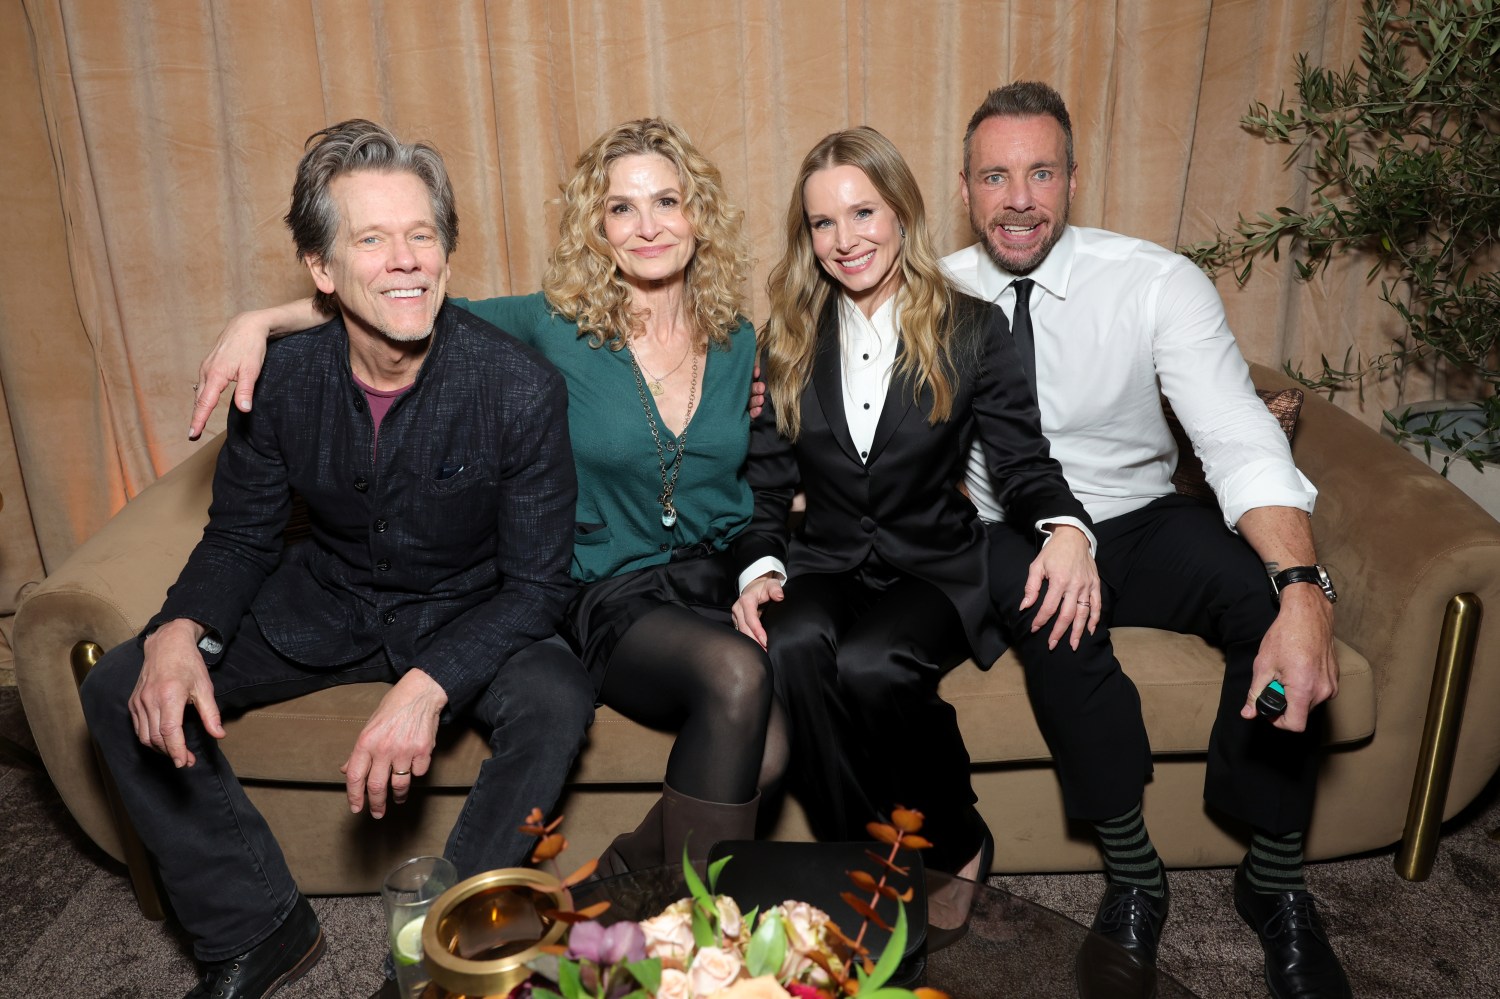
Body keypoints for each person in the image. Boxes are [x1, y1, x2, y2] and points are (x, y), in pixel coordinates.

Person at [193, 118, 782, 888]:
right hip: (606, 588)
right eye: (620, 208)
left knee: (775, 736)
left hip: (711, 581)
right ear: (595, 228)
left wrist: (758, 567)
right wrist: (261, 320)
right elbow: (406, 297)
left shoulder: (739, 341)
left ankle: (627, 879)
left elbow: (755, 482)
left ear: (697, 214)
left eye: (666, 200)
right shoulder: (552, 324)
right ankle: (698, 925)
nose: (647, 226)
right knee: (738, 676)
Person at [80, 119, 588, 999]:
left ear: (447, 254)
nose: (405, 260)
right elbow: (241, 534)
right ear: (323, 269)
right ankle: (260, 928)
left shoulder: (519, 388)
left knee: (557, 693)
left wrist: (430, 683)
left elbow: (539, 584)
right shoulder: (280, 379)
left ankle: (440, 955)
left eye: (422, 235)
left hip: (469, 608)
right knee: (119, 678)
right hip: (327, 600)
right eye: (373, 238)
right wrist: (177, 629)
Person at [944, 82, 1349, 998]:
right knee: (1052, 613)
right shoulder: (929, 292)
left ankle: (1275, 878)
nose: (1019, 197)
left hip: (1138, 514)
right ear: (965, 189)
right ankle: (1134, 873)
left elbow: (1235, 434)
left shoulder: (1155, 280)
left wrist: (1301, 584)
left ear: (1073, 179)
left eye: (1040, 172)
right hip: (1012, 530)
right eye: (996, 175)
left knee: (1262, 601)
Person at [731, 126, 1098, 900]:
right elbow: (765, 484)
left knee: (872, 663)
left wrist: (1066, 527)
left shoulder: (971, 329)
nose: (845, 239)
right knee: (791, 642)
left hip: (933, 564)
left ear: (902, 211)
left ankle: (959, 835)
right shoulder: (788, 339)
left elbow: (1023, 464)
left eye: (863, 213)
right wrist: (762, 565)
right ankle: (864, 865)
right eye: (823, 223)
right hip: (828, 558)